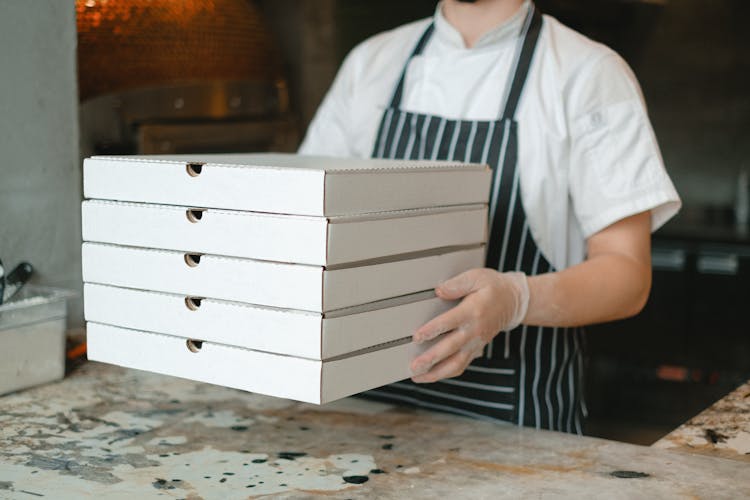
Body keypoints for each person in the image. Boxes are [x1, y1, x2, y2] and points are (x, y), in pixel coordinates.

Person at [299, 0, 681, 434]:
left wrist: (515, 300)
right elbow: (303, 222)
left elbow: (628, 276)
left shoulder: (587, 73)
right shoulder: (372, 63)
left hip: (514, 424)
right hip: (357, 416)